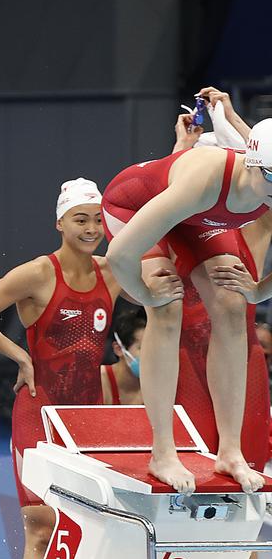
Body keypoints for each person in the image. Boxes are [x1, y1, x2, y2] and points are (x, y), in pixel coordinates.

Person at [0, 178, 124, 559]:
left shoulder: (114, 272)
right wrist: (20, 356)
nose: (91, 229)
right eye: (80, 219)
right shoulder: (37, 273)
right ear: (59, 223)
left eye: (98, 221)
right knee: (42, 526)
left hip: (88, 416)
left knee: (89, 525)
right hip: (40, 411)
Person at [103, 113, 272, 494]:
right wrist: (146, 296)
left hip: (197, 220)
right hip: (131, 206)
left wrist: (259, 291)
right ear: (253, 162)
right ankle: (162, 452)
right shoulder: (205, 178)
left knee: (232, 307)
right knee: (168, 306)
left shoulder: (264, 178)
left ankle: (230, 452)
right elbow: (118, 255)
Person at [102, 307, 147, 406]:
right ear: (118, 349)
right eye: (143, 348)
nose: (151, 357)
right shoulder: (99, 382)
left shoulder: (162, 384)